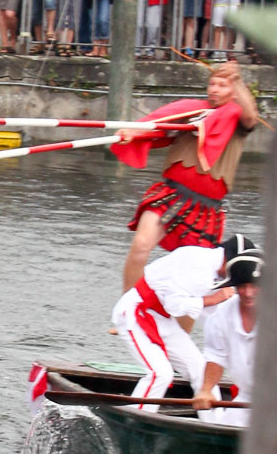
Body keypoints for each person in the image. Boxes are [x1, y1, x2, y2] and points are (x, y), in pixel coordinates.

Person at [113, 62, 259, 291]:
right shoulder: (190, 112)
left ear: (234, 92)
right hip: (171, 194)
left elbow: (251, 115)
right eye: (212, 84)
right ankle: (127, 309)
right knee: (140, 246)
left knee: (193, 277)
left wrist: (238, 81)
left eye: (222, 85)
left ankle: (179, 324)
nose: (214, 89)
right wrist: (133, 132)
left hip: (206, 208)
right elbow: (157, 126)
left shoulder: (238, 121)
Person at [111, 237, 248, 411]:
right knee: (160, 373)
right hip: (134, 314)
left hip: (162, 318)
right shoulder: (198, 265)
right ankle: (135, 421)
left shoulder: (213, 271)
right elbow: (174, 306)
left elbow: (214, 315)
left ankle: (215, 424)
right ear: (228, 261)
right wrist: (213, 299)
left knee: (202, 371)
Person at [193, 245, 263, 425]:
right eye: (242, 286)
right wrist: (206, 390)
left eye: (254, 286)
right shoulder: (222, 315)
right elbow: (216, 356)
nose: (248, 293)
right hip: (245, 399)